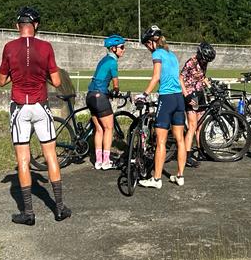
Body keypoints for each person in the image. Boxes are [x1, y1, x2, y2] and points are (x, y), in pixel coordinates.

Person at [0, 6, 71, 224]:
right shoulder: (46, 47)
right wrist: (41, 75)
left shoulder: (9, 47)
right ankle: (59, 208)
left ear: (17, 26)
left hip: (20, 107)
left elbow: (1, 81)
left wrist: (15, 75)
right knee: (50, 155)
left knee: (23, 158)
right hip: (41, 106)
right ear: (36, 25)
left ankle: (28, 213)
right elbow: (57, 81)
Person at [137, 25, 188, 188]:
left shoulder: (157, 53)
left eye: (147, 45)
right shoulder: (171, 55)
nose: (147, 48)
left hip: (166, 99)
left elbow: (156, 76)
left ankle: (157, 179)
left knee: (161, 141)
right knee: (180, 140)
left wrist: (144, 94)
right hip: (179, 98)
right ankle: (180, 176)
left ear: (152, 42)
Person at [87, 35, 125, 170]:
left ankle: (98, 161)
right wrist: (116, 90)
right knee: (109, 128)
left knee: (99, 129)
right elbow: (115, 82)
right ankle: (106, 161)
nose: (123, 50)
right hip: (99, 96)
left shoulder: (103, 60)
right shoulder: (113, 62)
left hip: (90, 95)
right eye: (121, 47)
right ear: (113, 49)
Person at [180, 42, 215, 168]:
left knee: (200, 125)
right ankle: (187, 156)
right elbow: (180, 78)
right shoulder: (191, 62)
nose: (206, 63)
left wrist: (211, 87)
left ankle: (200, 152)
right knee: (192, 126)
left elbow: (202, 77)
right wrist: (186, 95)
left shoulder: (204, 62)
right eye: (205, 60)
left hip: (200, 93)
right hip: (191, 95)